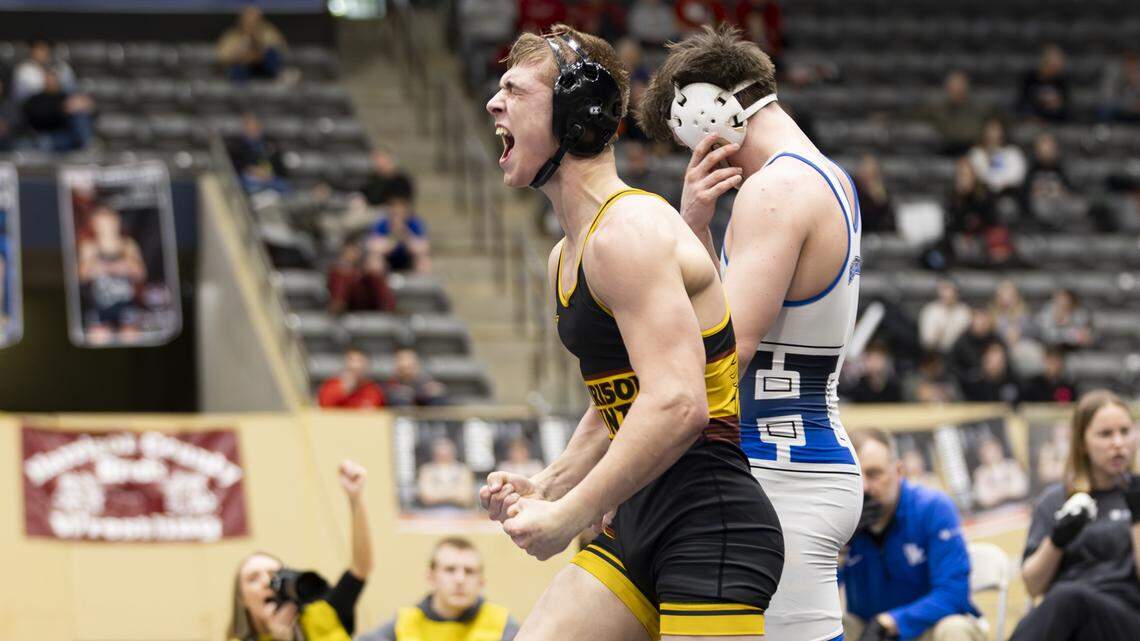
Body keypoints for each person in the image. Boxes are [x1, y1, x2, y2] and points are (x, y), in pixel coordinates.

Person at [482, 25, 783, 641]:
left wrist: (569, 513)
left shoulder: (628, 232)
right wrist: (549, 482)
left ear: (574, 112)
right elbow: (622, 398)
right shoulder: (567, 254)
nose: (493, 102)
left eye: (514, 89)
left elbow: (677, 405)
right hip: (643, 513)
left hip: (708, 518)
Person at [638, 24, 863, 641]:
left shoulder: (776, 190)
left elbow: (726, 351)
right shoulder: (822, 177)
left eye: (689, 139)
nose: (700, 157)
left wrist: (638, 459)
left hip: (781, 469)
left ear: (710, 111)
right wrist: (697, 228)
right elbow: (741, 318)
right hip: (800, 454)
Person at [1011, 390, 1140, 641]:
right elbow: (1033, 586)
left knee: (1069, 597)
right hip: (1069, 618)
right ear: (1082, 442)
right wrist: (1057, 540)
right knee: (1067, 599)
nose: (1118, 443)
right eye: (1105, 434)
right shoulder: (1055, 500)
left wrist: (1138, 517)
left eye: (1125, 431)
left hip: (1127, 619)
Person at [842, 429, 984, 641]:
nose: (864, 488)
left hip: (925, 630)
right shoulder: (838, 522)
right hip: (866, 632)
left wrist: (890, 622)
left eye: (874, 474)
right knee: (830, 628)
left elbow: (954, 594)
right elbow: (810, 599)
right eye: (854, 476)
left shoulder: (933, 508)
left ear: (898, 471)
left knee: (954, 629)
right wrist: (839, 547)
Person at [226, 460, 372, 641]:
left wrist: (355, 499)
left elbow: (360, 569)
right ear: (242, 599)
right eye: (253, 578)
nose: (266, 581)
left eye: (274, 574)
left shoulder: (321, 614)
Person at [357, 537, 519, 641]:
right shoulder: (404, 623)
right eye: (450, 570)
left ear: (481, 582)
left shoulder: (502, 623)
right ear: (431, 578)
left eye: (469, 571)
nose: (460, 579)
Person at [77, 204, 146, 345]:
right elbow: (82, 275)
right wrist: (119, 266)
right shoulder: (90, 246)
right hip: (100, 304)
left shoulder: (127, 244)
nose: (107, 227)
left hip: (126, 302)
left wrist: (106, 267)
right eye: (102, 223)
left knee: (131, 336)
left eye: (109, 222)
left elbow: (140, 273)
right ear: (94, 224)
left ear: (117, 222)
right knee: (98, 337)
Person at [1021, 132, 1085, 231]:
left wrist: (1065, 192)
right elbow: (1024, 191)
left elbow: (1071, 188)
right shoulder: (1031, 168)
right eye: (1043, 149)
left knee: (1079, 206)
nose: (1046, 152)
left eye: (1049, 148)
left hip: (1059, 202)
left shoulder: (1061, 167)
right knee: (1042, 208)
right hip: (1039, 203)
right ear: (1037, 151)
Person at [919, 71, 991, 157]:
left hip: (973, 150)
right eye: (953, 87)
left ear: (966, 88)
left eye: (960, 86)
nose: (957, 90)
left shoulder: (980, 109)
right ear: (947, 88)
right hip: (944, 150)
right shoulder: (935, 109)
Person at [22, 69, 95, 152]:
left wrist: (87, 106)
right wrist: (62, 109)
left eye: (53, 79)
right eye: (48, 79)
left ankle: (88, 145)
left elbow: (91, 115)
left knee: (81, 114)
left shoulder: (66, 97)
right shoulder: (36, 99)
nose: (51, 82)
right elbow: (38, 118)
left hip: (67, 135)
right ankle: (86, 145)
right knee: (43, 142)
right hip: (45, 135)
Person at [217, 5, 288, 81]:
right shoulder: (232, 36)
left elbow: (281, 49)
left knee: (272, 54)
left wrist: (259, 52)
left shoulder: (268, 32)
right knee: (237, 70)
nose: (251, 23)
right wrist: (242, 55)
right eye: (247, 19)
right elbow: (222, 56)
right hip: (244, 67)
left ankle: (279, 78)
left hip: (264, 67)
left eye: (254, 20)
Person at [228, 113, 290, 194]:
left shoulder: (270, 143)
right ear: (244, 129)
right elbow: (235, 166)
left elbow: (279, 166)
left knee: (284, 187)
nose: (253, 130)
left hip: (270, 178)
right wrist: (252, 170)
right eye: (250, 127)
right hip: (248, 180)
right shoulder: (236, 147)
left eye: (255, 127)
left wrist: (269, 173)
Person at [327, 241, 395, 314]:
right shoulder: (338, 272)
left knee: (374, 276)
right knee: (341, 274)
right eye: (348, 252)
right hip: (349, 303)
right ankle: (338, 303)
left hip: (369, 304)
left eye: (354, 251)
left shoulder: (369, 276)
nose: (351, 255)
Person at [366, 197, 431, 273]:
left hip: (408, 259)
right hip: (388, 259)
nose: (398, 212)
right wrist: (393, 238)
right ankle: (377, 281)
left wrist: (404, 234)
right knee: (374, 258)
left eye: (401, 209)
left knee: (423, 258)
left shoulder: (415, 223)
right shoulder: (381, 223)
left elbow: (423, 248)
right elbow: (374, 247)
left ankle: (421, 282)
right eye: (394, 209)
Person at [966, 117, 1026, 195]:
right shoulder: (976, 153)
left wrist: (1003, 185)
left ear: (1002, 131)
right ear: (984, 131)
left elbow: (1018, 176)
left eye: (996, 129)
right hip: (984, 194)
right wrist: (986, 157)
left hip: (1009, 193)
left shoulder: (1012, 152)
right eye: (990, 129)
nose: (992, 133)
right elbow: (976, 176)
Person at [971, 433, 1029, 509]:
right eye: (987, 451)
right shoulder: (980, 473)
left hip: (1018, 507)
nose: (991, 454)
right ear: (981, 456)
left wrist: (998, 493)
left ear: (1000, 450)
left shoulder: (1012, 465)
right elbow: (983, 498)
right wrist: (1006, 491)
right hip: (993, 512)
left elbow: (1021, 488)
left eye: (994, 450)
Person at [317, 347, 386, 409]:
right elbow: (323, 407)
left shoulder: (373, 390)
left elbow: (378, 413)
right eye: (352, 360)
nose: (355, 366)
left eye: (360, 361)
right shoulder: (331, 385)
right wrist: (343, 390)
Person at [417, 437, 475, 509]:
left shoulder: (463, 470)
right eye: (440, 455)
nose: (444, 456)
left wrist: (438, 493)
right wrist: (454, 493)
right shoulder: (426, 470)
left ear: (453, 454)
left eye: (446, 454)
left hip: (460, 512)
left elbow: (466, 497)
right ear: (435, 455)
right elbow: (426, 497)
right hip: (431, 513)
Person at [11, 38, 77, 101]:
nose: (44, 52)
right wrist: (45, 87)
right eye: (39, 49)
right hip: (32, 106)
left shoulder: (63, 67)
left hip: (62, 104)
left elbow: (72, 90)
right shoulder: (23, 69)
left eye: (46, 48)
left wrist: (59, 87)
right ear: (32, 50)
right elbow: (19, 96)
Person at [1018, 44, 1071, 122]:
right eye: (1054, 64)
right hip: (1033, 121)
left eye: (1059, 65)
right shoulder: (1030, 78)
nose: (1057, 68)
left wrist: (1058, 106)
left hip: (1055, 121)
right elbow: (1022, 102)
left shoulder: (1062, 81)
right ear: (1045, 62)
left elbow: (1067, 107)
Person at [920, 281, 972, 355]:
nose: (948, 295)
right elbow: (927, 342)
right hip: (936, 353)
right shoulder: (930, 311)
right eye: (945, 291)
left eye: (951, 291)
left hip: (960, 354)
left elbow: (968, 335)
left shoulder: (964, 311)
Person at [853, 154, 895, 233]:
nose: (868, 173)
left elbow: (890, 223)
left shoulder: (882, 192)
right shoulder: (853, 189)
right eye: (865, 169)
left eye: (872, 170)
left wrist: (880, 201)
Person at [1099, 50, 1140, 123]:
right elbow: (1107, 97)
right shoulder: (1115, 77)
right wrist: (1128, 104)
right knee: (1104, 109)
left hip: (1135, 110)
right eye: (1128, 65)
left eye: (1134, 66)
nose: (1131, 68)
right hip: (1119, 107)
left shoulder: (1137, 76)